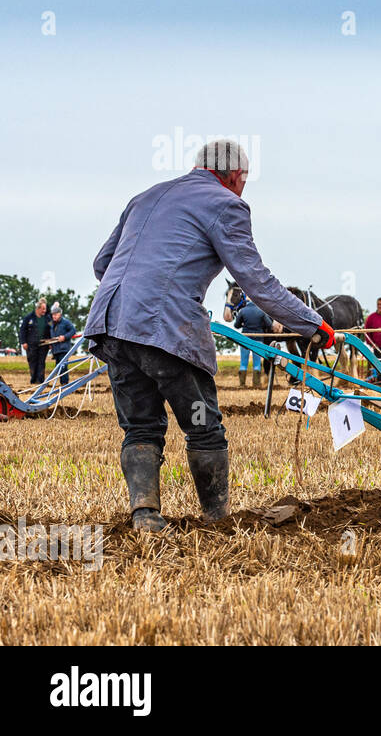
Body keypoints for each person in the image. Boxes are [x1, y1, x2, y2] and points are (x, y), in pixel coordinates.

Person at [85, 139, 331, 532]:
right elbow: (256, 281)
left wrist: (139, 295)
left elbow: (102, 264)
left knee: (141, 427)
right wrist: (312, 324)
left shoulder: (145, 197)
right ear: (235, 176)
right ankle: (217, 520)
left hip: (113, 328)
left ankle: (145, 515)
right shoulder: (226, 204)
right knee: (203, 426)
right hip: (166, 331)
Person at [228, 300, 271, 388]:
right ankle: (256, 384)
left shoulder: (243, 311)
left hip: (245, 339)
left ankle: (242, 384)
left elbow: (236, 325)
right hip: (258, 339)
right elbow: (269, 325)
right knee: (257, 363)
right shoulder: (261, 311)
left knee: (243, 362)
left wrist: (243, 324)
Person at [45, 303, 77, 386]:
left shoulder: (66, 322)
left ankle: (65, 383)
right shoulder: (53, 324)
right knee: (58, 367)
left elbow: (73, 330)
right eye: (53, 315)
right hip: (56, 349)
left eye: (56, 314)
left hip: (63, 348)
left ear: (60, 314)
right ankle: (62, 382)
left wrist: (64, 337)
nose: (54, 316)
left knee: (63, 366)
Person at [19, 298, 50, 384]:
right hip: (31, 344)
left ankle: (40, 381)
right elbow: (22, 330)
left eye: (46, 309)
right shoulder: (29, 318)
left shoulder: (47, 318)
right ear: (38, 308)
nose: (45, 311)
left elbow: (51, 330)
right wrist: (23, 342)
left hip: (44, 344)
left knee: (41, 362)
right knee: (32, 361)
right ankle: (33, 380)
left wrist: (51, 342)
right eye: (43, 309)